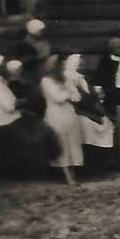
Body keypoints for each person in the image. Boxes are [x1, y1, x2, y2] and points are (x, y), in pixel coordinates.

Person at [0, 55, 60, 175]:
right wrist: (26, 101)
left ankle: (47, 163)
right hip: (5, 120)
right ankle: (40, 168)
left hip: (14, 116)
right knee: (39, 134)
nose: (5, 67)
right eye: (2, 65)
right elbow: (10, 106)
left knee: (42, 125)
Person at [40, 54, 84, 185]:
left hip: (69, 113)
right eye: (61, 66)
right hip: (56, 114)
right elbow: (57, 98)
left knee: (73, 142)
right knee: (62, 144)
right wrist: (68, 93)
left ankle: (74, 174)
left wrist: (69, 94)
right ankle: (68, 177)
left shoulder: (66, 79)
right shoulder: (46, 81)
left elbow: (77, 97)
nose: (63, 69)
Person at [64, 54, 114, 157]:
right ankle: (89, 154)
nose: (83, 68)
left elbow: (91, 97)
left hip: (87, 108)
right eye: (80, 65)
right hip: (75, 110)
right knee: (86, 124)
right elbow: (76, 99)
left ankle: (100, 155)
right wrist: (83, 91)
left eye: (84, 65)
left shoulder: (84, 79)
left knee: (106, 122)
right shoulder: (68, 78)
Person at [10, 18, 52, 117]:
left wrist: (36, 58)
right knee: (31, 88)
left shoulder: (44, 42)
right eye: (39, 30)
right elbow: (20, 54)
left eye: (42, 31)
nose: (41, 33)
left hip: (40, 68)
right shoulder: (26, 42)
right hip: (28, 70)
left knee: (42, 88)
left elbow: (45, 54)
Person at [92, 37, 120, 113]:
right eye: (117, 48)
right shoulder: (107, 60)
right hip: (113, 85)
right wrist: (99, 85)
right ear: (111, 49)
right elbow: (101, 73)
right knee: (114, 102)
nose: (119, 50)